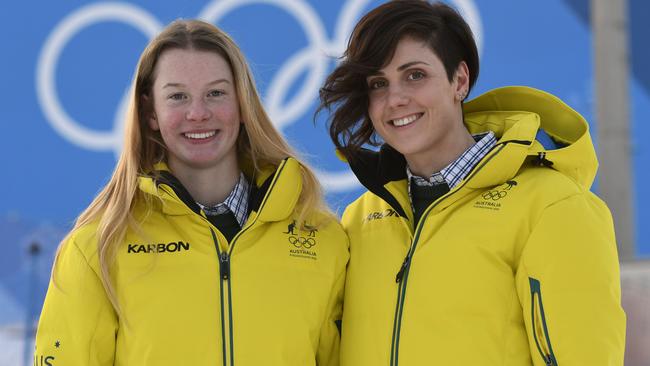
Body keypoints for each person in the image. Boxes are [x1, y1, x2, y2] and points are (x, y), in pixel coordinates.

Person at [318, 1, 625, 365]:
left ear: (459, 81)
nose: (396, 99)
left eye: (415, 75)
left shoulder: (551, 207)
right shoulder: (360, 220)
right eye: (378, 83)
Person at [35, 19, 348, 366]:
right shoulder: (99, 246)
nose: (198, 113)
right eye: (177, 96)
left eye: (215, 93)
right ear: (151, 113)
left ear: (242, 105)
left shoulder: (321, 239)